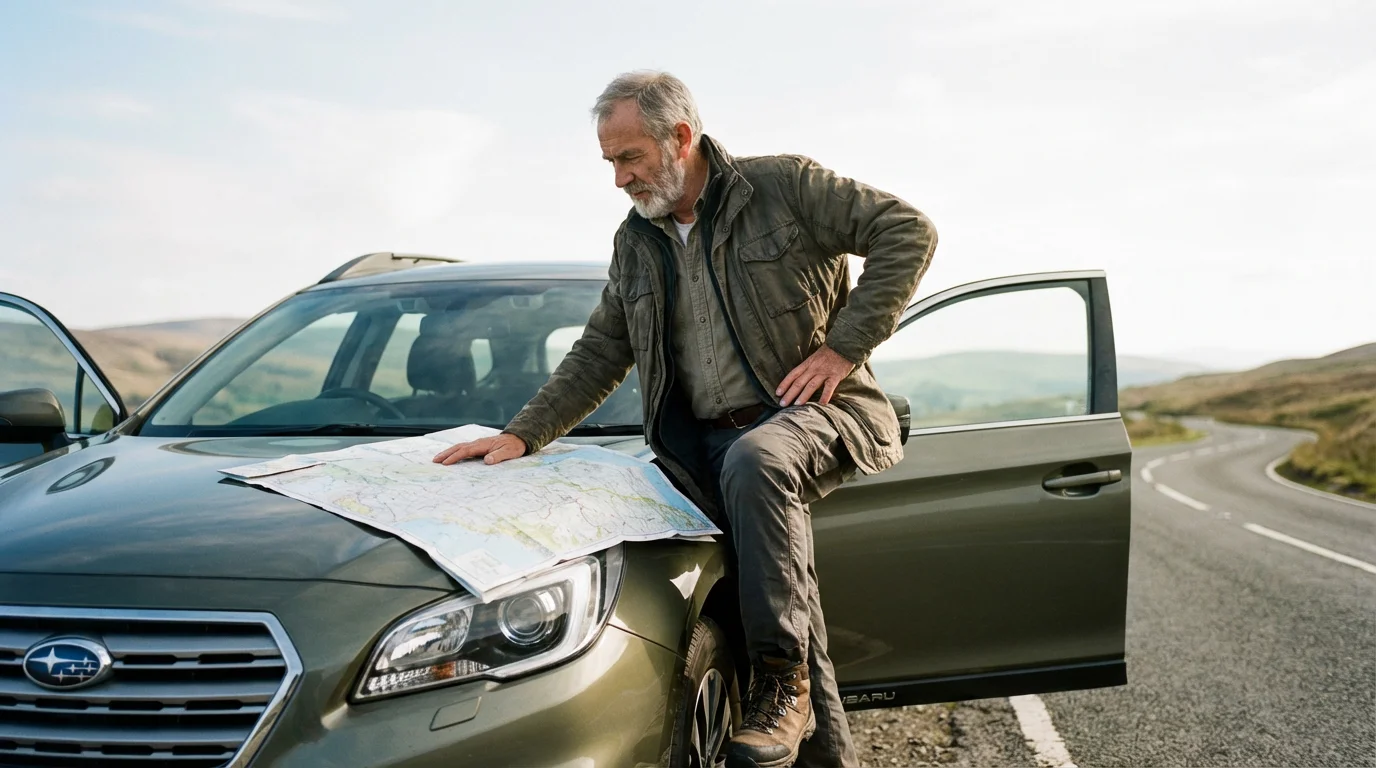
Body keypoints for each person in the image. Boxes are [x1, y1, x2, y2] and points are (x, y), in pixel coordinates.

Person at [432, 70, 936, 768]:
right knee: (789, 591)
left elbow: (907, 230)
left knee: (762, 463)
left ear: (680, 137)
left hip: (812, 416)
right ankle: (814, 732)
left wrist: (843, 349)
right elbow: (603, 348)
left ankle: (778, 681)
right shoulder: (636, 242)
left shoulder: (784, 187)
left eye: (629, 157)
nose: (619, 179)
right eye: (610, 162)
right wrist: (523, 433)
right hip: (703, 450)